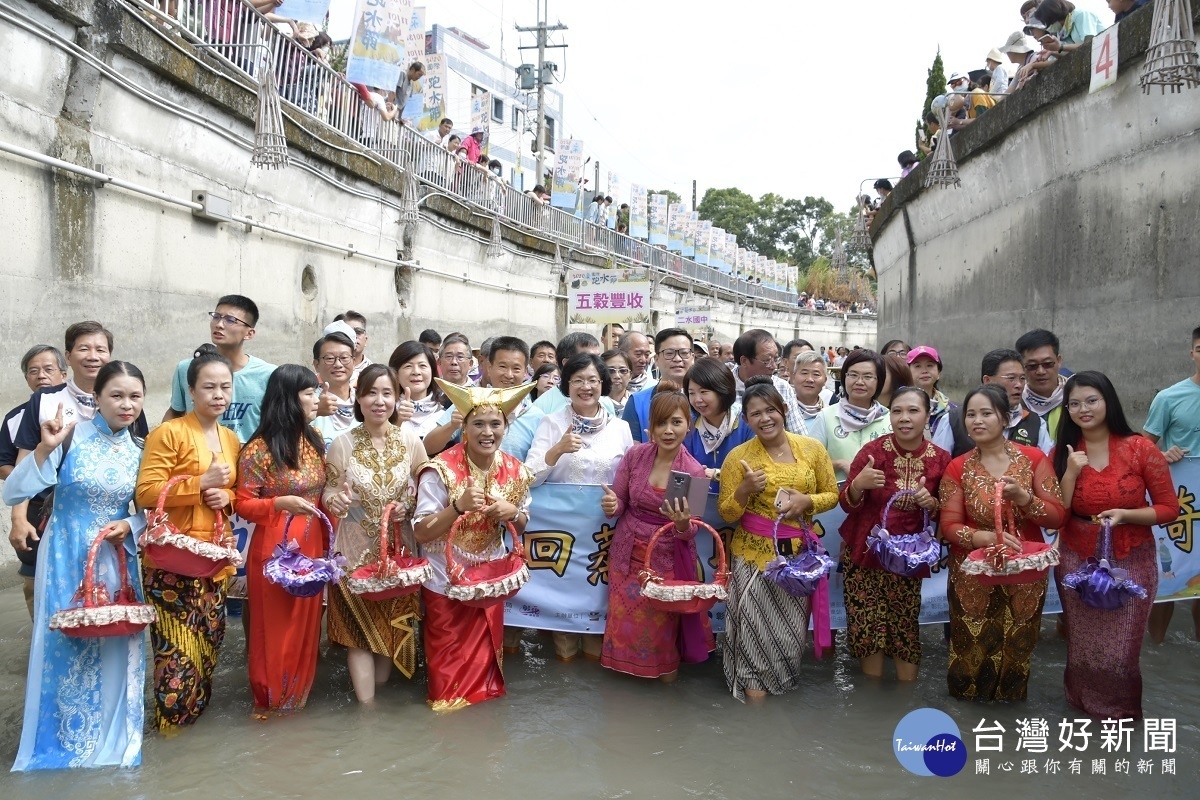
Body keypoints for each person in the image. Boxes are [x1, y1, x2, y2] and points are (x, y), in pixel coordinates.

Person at [3, 361, 148, 770]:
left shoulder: (141, 451)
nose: (126, 405)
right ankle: (61, 746)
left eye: (134, 396)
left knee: (118, 640)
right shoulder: (68, 438)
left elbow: (152, 512)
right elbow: (14, 491)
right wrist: (45, 448)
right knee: (66, 643)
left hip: (117, 559)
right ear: (97, 399)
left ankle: (115, 742)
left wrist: (130, 523)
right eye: (116, 395)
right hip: (65, 555)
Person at [1053, 372, 1176, 718]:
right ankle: (1079, 718)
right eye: (1074, 403)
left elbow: (1169, 508)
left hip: (1130, 560)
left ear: (1109, 401)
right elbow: (1057, 515)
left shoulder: (1140, 448)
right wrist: (1071, 473)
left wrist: (1126, 514)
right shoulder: (1063, 451)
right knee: (1081, 649)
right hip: (1077, 559)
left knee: (1121, 652)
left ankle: (1119, 723)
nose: (1083, 409)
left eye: (1091, 400)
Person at [938, 384, 1066, 702]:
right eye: (970, 414)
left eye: (986, 413)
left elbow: (1056, 517)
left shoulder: (1034, 459)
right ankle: (967, 719)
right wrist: (983, 537)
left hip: (1023, 575)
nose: (976, 421)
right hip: (973, 574)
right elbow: (949, 525)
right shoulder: (958, 467)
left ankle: (1008, 723)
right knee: (970, 648)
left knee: (1017, 648)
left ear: (1006, 418)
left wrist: (1024, 498)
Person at [412, 381, 535, 710]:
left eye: (496, 424)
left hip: (489, 583)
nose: (487, 432)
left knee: (485, 684)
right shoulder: (439, 471)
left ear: (506, 427)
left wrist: (514, 513)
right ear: (463, 426)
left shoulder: (516, 471)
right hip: (444, 584)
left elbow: (523, 523)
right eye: (478, 423)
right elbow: (422, 533)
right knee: (447, 690)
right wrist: (457, 508)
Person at [137, 345, 241, 730]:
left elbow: (236, 494)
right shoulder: (168, 433)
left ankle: (194, 737)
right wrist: (200, 484)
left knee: (209, 650)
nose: (218, 395)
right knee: (176, 658)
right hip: (172, 562)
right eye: (209, 387)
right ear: (191, 390)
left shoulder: (230, 439)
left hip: (213, 562)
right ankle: (171, 733)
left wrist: (225, 496)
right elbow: (147, 492)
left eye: (225, 387)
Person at [718, 377, 838, 702]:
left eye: (770, 410)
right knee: (754, 636)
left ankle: (780, 707)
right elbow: (727, 512)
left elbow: (832, 493)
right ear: (746, 420)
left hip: (798, 561)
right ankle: (756, 711)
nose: (765, 418)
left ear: (783, 410)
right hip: (753, 559)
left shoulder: (812, 449)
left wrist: (807, 502)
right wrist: (743, 490)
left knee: (788, 637)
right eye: (755, 414)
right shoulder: (737, 457)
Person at [323, 365, 429, 703]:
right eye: (371, 393)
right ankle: (366, 716)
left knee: (390, 626)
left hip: (398, 555)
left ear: (398, 399)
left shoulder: (412, 442)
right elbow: (327, 492)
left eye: (387, 393)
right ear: (358, 397)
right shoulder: (342, 444)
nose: (379, 401)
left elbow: (427, 490)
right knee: (358, 634)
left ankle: (379, 710)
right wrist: (336, 501)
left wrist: (409, 504)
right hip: (352, 555)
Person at [599, 382, 713, 680]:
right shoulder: (635, 455)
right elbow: (620, 501)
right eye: (661, 423)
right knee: (623, 621)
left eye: (676, 422)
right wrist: (612, 504)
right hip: (626, 555)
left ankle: (665, 688)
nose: (668, 430)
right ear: (650, 426)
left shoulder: (695, 472)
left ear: (689, 425)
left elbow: (694, 529)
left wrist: (682, 523)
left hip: (668, 560)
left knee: (661, 631)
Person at [526, 353, 634, 661]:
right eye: (578, 380)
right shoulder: (551, 422)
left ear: (603, 383)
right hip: (564, 536)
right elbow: (528, 477)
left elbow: (629, 479)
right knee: (564, 622)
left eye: (592, 380)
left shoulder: (620, 428)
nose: (585, 387)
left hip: (604, 535)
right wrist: (557, 450)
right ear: (566, 384)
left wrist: (619, 500)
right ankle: (565, 684)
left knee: (600, 613)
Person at [839, 387, 950, 681]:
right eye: (897, 411)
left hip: (909, 561)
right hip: (864, 555)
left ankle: (904, 696)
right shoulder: (872, 453)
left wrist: (932, 504)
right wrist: (858, 485)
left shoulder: (941, 459)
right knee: (867, 628)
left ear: (927, 415)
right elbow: (847, 505)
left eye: (913, 411)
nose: (904, 418)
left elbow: (950, 513)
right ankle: (872, 703)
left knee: (904, 627)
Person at [235, 365, 326, 718]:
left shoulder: (313, 440)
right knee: (273, 629)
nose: (316, 399)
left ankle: (296, 702)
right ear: (289, 398)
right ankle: (269, 703)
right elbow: (241, 502)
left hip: (312, 545)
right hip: (275, 547)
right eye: (309, 393)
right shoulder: (259, 449)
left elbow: (321, 492)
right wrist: (278, 503)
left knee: (306, 627)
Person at [1143, 326, 1200, 642]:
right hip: (1180, 503)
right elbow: (1141, 449)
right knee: (1170, 576)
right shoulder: (1169, 397)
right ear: (1192, 353)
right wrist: (1163, 455)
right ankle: (1156, 647)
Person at [2, 345, 67, 616]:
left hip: (74, 508)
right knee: (35, 580)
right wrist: (36, 475)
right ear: (27, 378)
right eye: (33, 371)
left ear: (64, 374)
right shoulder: (16, 418)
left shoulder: (83, 410)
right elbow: (4, 464)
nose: (41, 376)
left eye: (48, 369)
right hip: (35, 507)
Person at [164, 295, 276, 444]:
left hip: (250, 462)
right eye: (216, 317)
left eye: (230, 320)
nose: (219, 324)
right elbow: (175, 412)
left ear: (249, 333)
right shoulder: (186, 368)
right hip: (198, 460)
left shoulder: (268, 374)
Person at [426, 336, 530, 454]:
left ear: (525, 372)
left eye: (516, 368)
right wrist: (452, 426)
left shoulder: (535, 416)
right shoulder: (469, 400)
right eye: (502, 366)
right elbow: (428, 448)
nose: (509, 375)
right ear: (489, 368)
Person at [812, 350, 893, 482]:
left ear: (879, 381)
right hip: (834, 499)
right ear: (844, 377)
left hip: (879, 499)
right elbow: (809, 465)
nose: (859, 382)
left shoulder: (889, 418)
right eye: (853, 375)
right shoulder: (826, 417)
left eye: (868, 376)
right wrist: (839, 464)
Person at [682, 357, 754, 486]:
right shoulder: (689, 426)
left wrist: (718, 474)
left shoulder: (747, 423)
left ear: (722, 390)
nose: (697, 399)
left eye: (704, 392)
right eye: (691, 393)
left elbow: (754, 471)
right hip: (698, 502)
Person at [623, 328, 696, 443]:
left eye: (684, 353)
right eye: (669, 353)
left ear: (693, 358)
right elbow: (632, 452)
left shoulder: (703, 400)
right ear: (656, 359)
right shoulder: (637, 403)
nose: (677, 359)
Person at [729, 329, 806, 435]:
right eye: (767, 361)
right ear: (744, 361)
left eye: (776, 359)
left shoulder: (782, 387)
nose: (774, 367)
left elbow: (798, 435)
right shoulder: (723, 386)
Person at [907, 346, 972, 457]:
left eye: (930, 365)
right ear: (907, 372)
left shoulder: (952, 410)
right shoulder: (898, 407)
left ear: (939, 374)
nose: (924, 371)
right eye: (917, 366)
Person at [979, 348, 1050, 452]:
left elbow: (1045, 465)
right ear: (987, 381)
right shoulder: (955, 421)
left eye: (1022, 378)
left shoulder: (1036, 423)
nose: (1019, 385)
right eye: (1011, 378)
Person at [1016, 328, 1068, 447]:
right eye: (1032, 366)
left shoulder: (1075, 399)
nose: (1040, 371)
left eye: (1048, 364)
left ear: (1059, 361)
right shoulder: (1014, 404)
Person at [310, 329, 358, 450]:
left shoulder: (365, 401)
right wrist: (314, 412)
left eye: (344, 357)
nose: (338, 364)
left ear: (354, 362)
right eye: (330, 358)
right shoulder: (308, 401)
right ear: (317, 365)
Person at [390, 340, 445, 441]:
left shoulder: (444, 413)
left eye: (422, 366)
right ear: (395, 373)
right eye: (408, 366)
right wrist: (397, 422)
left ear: (432, 371)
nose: (416, 372)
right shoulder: (385, 410)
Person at [1026, 0, 1104, 55]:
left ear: (1053, 17)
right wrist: (1052, 51)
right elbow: (1068, 53)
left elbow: (1090, 43)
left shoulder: (1081, 14)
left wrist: (1061, 47)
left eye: (1048, 23)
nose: (1048, 28)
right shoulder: (1063, 32)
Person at [790, 351, 831, 443]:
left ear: (825, 380)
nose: (809, 379)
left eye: (816, 374)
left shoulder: (831, 415)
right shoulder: (782, 412)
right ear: (793, 377)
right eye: (804, 373)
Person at [332, 311, 372, 385]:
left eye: (358, 331)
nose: (353, 335)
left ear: (365, 340)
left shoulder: (375, 373)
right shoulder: (327, 370)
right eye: (348, 332)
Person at [602, 349, 633, 417]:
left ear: (630, 375)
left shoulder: (636, 402)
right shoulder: (594, 403)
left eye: (623, 371)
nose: (617, 376)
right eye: (610, 371)